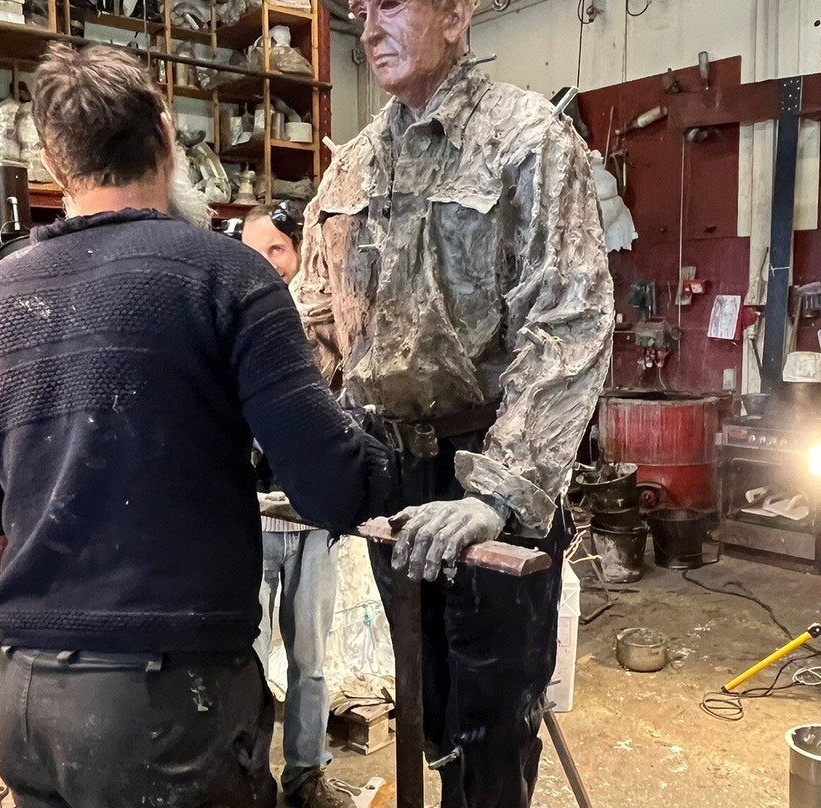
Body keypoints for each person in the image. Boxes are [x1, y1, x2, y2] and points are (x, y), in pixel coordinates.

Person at [0, 43, 396, 808]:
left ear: (52, 163)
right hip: (164, 706)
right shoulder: (226, 276)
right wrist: (391, 455)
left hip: (25, 699)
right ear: (165, 133)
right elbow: (330, 487)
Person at [294, 0, 614, 805]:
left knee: (494, 724)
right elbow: (316, 320)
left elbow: (569, 321)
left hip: (486, 467)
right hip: (387, 473)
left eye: (391, 4)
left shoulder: (528, 138)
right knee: (426, 703)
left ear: (456, 13)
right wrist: (296, 440)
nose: (370, 28)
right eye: (359, 10)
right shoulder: (349, 169)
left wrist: (498, 494)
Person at [242, 203, 348, 808]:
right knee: (249, 662)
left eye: (277, 249)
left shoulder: (330, 331)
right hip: (253, 522)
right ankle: (248, 777)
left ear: (300, 253)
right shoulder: (237, 328)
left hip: (311, 524)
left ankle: (306, 775)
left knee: (310, 661)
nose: (267, 263)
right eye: (253, 252)